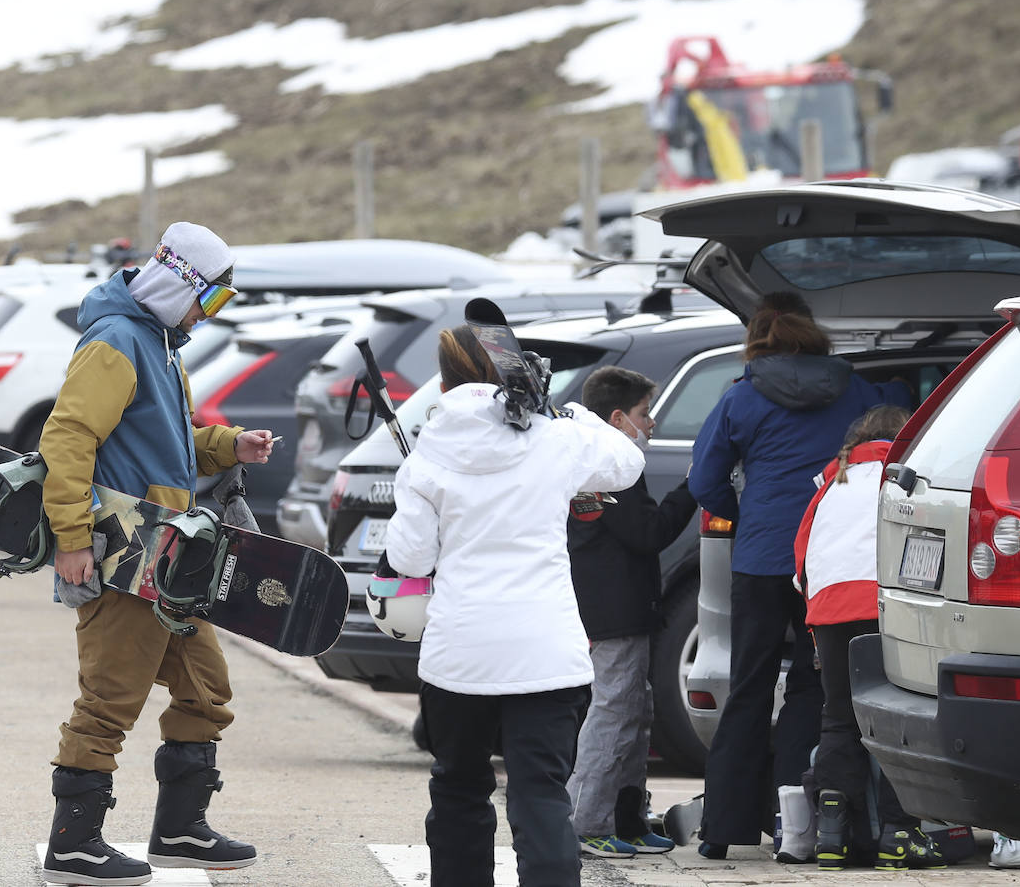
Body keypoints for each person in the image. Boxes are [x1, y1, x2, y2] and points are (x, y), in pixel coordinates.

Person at [38, 221, 277, 886]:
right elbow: (68, 440)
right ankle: (74, 846)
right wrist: (72, 540)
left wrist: (229, 446)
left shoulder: (159, 344)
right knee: (109, 700)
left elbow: (169, 441)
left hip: (169, 556)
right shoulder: (117, 343)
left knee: (206, 689)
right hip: (121, 556)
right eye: (214, 298)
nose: (211, 312)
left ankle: (179, 831)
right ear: (182, 283)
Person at [384, 326, 645, 887]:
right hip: (547, 654)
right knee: (541, 797)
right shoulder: (555, 439)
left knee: (457, 789)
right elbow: (626, 463)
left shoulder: (427, 452)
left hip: (460, 657)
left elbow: (409, 558)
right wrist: (571, 413)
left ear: (446, 380)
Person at [687, 291, 913, 860]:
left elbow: (705, 480)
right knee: (814, 690)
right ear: (814, 334)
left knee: (749, 686)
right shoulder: (856, 390)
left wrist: (746, 516)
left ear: (758, 337)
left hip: (762, 559)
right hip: (824, 563)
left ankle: (720, 829)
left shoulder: (740, 398)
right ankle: (795, 822)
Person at [791, 405, 944, 871]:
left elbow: (800, 563)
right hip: (884, 603)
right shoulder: (909, 478)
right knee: (899, 716)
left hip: (830, 608)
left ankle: (833, 838)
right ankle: (900, 836)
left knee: (839, 718)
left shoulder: (832, 484)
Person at [564, 366, 696, 859]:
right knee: (613, 714)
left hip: (622, 608)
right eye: (646, 413)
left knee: (635, 715)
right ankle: (585, 823)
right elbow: (649, 533)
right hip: (611, 612)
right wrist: (693, 484)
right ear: (619, 417)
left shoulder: (595, 456)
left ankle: (628, 818)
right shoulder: (607, 465)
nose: (653, 423)